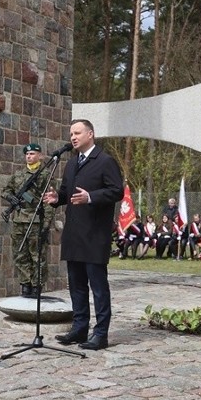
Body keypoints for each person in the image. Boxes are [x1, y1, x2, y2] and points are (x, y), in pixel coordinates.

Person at [45, 119, 124, 351]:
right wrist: (55, 199)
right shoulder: (71, 164)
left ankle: (100, 334)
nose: (73, 137)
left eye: (77, 132)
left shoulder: (105, 161)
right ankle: (79, 328)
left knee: (98, 287)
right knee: (76, 285)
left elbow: (116, 191)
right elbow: (65, 193)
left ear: (90, 134)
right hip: (74, 234)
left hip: (94, 234)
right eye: (71, 133)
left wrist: (91, 197)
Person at [1, 142, 49, 297]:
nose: (29, 156)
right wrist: (12, 198)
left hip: (35, 219)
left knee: (37, 255)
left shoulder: (45, 174)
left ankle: (37, 285)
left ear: (40, 156)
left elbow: (49, 201)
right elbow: (5, 190)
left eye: (33, 154)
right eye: (27, 154)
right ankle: (25, 284)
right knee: (20, 253)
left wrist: (47, 223)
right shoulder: (18, 174)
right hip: (19, 219)